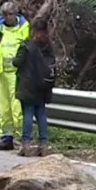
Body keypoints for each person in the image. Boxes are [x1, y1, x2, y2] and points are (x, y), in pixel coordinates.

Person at [0, 1, 31, 151]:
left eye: (10, 14)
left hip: (17, 73)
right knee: (4, 108)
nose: (7, 18)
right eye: (5, 15)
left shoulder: (23, 26)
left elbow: (28, 47)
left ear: (16, 14)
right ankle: (6, 138)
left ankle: (24, 138)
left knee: (18, 108)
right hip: (1, 72)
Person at [12, 20, 56, 157]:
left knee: (28, 114)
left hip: (28, 85)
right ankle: (43, 144)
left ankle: (25, 144)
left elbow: (16, 62)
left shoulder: (27, 45)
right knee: (41, 114)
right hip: (43, 86)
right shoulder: (48, 47)